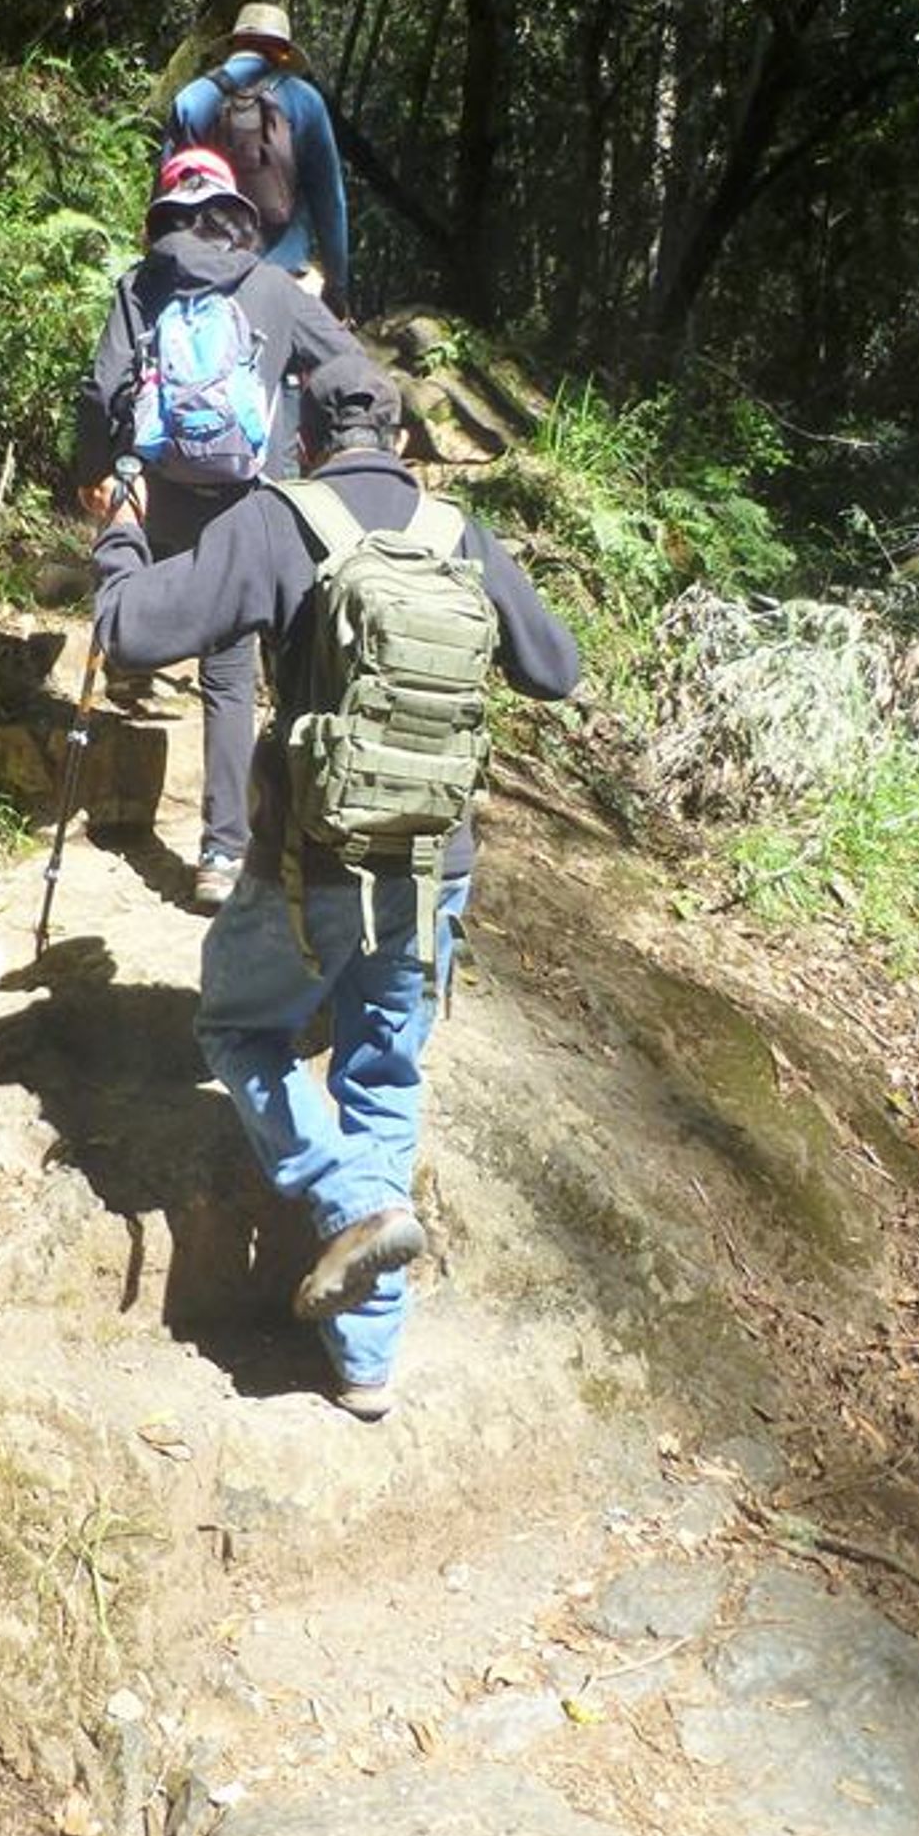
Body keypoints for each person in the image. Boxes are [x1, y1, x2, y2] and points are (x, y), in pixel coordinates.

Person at [82, 354, 579, 1419]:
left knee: (238, 1027)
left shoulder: (277, 521)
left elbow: (129, 628)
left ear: (300, 440)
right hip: (430, 865)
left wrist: (120, 529)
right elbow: (557, 668)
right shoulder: (456, 533)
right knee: (382, 1074)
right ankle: (366, 1365)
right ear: (401, 442)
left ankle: (349, 1199)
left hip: (305, 865)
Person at [75, 147, 361, 908]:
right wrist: (346, 452)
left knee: (165, 625)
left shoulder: (141, 283)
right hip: (255, 504)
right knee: (239, 676)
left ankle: (164, 814)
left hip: (161, 496)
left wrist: (94, 471)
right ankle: (230, 851)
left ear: (166, 210)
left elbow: (103, 387)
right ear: (234, 210)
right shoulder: (272, 286)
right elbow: (350, 369)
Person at [162, 4, 350, 317]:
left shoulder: (191, 99)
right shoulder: (306, 102)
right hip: (286, 279)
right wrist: (337, 288)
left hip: (206, 278)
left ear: (233, 44)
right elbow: (330, 203)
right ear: (284, 53)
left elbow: (167, 197)